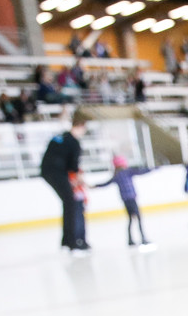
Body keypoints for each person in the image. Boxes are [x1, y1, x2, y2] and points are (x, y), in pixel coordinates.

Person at [40, 108, 92, 253]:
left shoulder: (61, 137)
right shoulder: (74, 143)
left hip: (48, 172)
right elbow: (73, 167)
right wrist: (80, 181)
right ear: (81, 126)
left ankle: (67, 241)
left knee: (68, 202)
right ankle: (73, 242)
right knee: (70, 203)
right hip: (57, 173)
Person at [94, 154, 154, 249]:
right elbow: (141, 172)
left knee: (130, 219)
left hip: (126, 201)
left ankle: (130, 240)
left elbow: (106, 183)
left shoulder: (117, 175)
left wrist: (95, 186)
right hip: (131, 199)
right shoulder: (127, 172)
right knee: (137, 218)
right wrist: (153, 168)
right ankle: (143, 238)